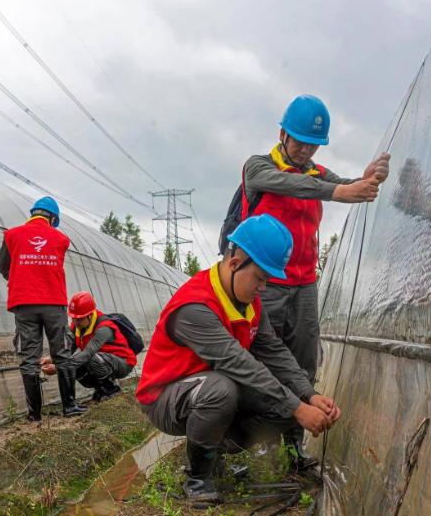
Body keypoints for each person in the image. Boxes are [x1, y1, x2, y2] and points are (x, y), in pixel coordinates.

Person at [136, 215, 342, 506]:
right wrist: (297, 407)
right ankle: (197, 479)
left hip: (209, 386)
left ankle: (214, 451)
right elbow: (238, 363)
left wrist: (309, 395)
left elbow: (274, 352)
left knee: (281, 402)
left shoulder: (249, 303)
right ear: (234, 263)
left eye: (268, 280)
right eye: (259, 278)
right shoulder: (195, 306)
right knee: (222, 390)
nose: (263, 289)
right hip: (166, 399)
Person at [241, 94, 389, 454]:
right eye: (301, 141)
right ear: (282, 134)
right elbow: (296, 185)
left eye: (314, 145)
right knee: (265, 362)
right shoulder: (258, 168)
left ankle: (294, 447)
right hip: (267, 283)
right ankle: (261, 444)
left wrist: (367, 179)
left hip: (305, 285)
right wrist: (340, 190)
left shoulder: (317, 173)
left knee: (303, 364)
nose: (307, 150)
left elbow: (341, 184)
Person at [0, 196, 85, 421]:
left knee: (29, 358)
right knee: (62, 354)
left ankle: (34, 414)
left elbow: (2, 265)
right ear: (52, 218)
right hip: (53, 304)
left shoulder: (12, 235)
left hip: (23, 304)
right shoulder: (61, 239)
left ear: (33, 213)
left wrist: (15, 277)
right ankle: (70, 407)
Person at [42, 291, 136, 403]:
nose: (75, 322)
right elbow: (69, 349)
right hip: (101, 360)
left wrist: (58, 367)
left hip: (123, 363)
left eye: (80, 319)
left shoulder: (104, 328)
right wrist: (52, 358)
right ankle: (100, 389)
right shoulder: (77, 326)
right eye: (73, 318)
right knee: (75, 365)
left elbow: (87, 353)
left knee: (87, 358)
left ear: (90, 315)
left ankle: (111, 390)